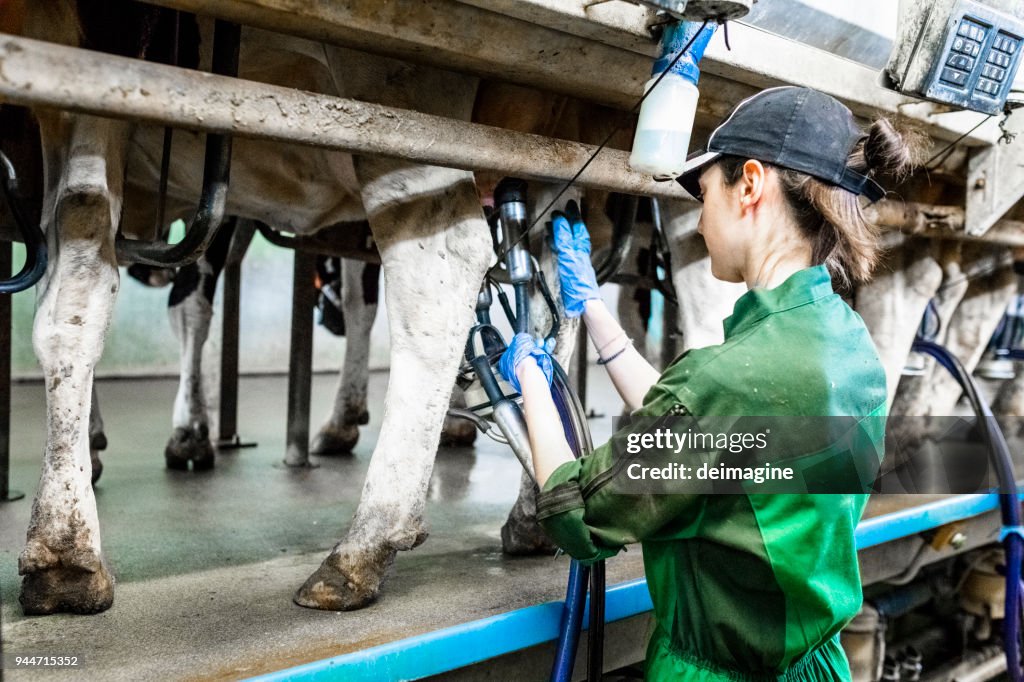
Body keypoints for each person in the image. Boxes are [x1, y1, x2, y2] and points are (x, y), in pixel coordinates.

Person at [499, 87, 921, 681]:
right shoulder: (849, 345)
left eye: (704, 195)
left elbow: (577, 513)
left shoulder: (725, 381)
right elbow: (710, 443)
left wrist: (528, 380)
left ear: (750, 184)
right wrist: (596, 315)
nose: (699, 221)